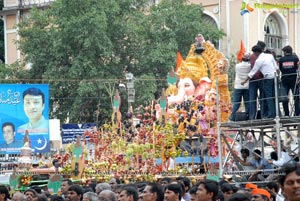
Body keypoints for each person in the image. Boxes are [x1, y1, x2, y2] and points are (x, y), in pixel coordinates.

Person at [242, 45, 279, 119]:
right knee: (275, 96)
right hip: (275, 77)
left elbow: (252, 72)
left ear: (256, 52)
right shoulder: (270, 56)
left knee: (268, 97)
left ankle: (272, 114)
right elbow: (276, 67)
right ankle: (277, 113)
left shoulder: (259, 60)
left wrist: (244, 81)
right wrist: (279, 77)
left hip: (268, 78)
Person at [279, 45, 300, 116]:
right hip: (294, 80)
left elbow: (281, 69)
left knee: (284, 98)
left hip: (284, 80)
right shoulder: (295, 58)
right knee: (296, 97)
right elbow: (298, 68)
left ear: (285, 52)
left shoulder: (282, 59)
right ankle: (297, 113)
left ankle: (287, 114)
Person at [229, 53, 251, 121]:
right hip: (246, 86)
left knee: (236, 103)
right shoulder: (249, 66)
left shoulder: (237, 66)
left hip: (238, 86)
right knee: (247, 103)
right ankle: (248, 117)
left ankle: (232, 118)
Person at [248, 41, 266, 120]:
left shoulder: (251, 56)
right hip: (261, 79)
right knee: (262, 98)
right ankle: (263, 115)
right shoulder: (264, 56)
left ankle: (252, 117)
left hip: (252, 79)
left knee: (252, 99)